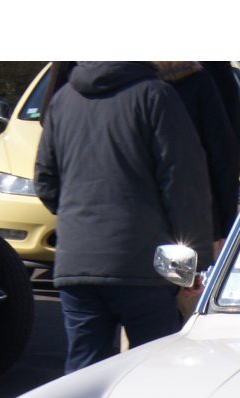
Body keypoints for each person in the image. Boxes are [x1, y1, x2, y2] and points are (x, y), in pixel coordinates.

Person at [34, 62, 213, 374]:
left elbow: (45, 182)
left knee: (82, 374)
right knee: (152, 371)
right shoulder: (155, 96)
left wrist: (80, 219)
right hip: (143, 261)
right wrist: (194, 263)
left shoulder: (63, 99)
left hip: (77, 259)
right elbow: (183, 184)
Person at [154, 61, 240, 251]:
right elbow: (225, 155)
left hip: (126, 222)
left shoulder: (122, 83)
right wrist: (223, 228)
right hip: (193, 218)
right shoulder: (203, 76)